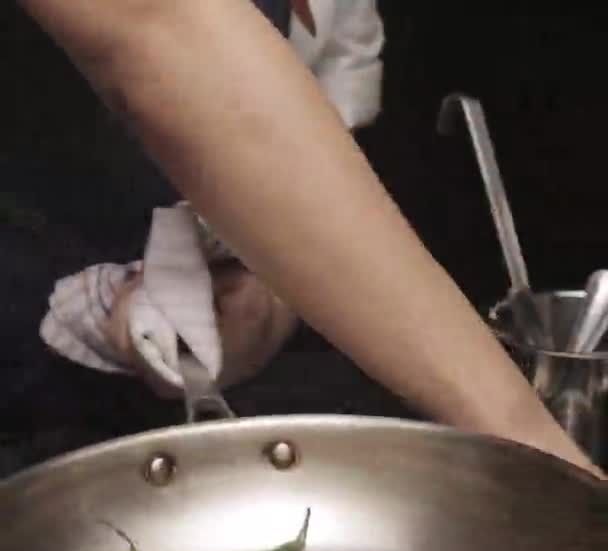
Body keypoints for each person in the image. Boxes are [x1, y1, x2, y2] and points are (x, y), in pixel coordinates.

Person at [17, 0, 600, 475]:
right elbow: (155, 23)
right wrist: (532, 444)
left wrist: (276, 292)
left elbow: (307, 130)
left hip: (216, 398)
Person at [39, 0, 387, 399]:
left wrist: (278, 294)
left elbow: (337, 88)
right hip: (25, 358)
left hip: (258, 361)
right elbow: (139, 29)